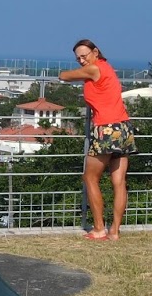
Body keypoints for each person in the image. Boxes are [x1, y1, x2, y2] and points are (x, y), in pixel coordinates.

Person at [58, 38, 136, 240]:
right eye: (78, 58)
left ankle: (99, 228)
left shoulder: (94, 69)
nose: (82, 60)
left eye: (84, 55)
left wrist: (65, 74)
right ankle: (115, 231)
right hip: (124, 127)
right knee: (118, 182)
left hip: (106, 129)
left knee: (90, 177)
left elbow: (64, 76)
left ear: (96, 51)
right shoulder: (106, 68)